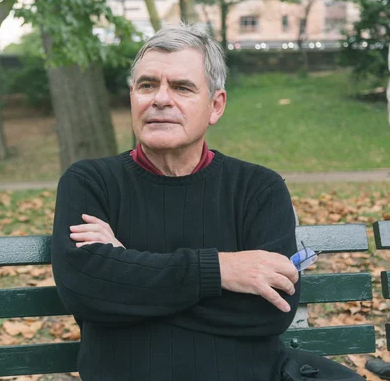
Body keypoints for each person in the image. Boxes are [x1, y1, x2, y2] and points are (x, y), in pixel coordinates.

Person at [50, 24, 361, 381]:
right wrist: (222, 272)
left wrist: (127, 274)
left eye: (182, 87)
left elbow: (271, 311)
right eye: (147, 85)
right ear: (132, 97)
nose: (160, 99)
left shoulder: (258, 188)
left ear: (215, 106)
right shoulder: (91, 182)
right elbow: (85, 290)